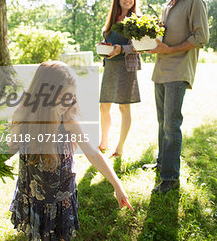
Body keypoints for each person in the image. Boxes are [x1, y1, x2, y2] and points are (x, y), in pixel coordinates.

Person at [8, 61, 133, 240]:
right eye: (63, 97)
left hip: (60, 199)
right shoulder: (24, 117)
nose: (68, 103)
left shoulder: (68, 122)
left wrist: (117, 185)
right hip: (33, 196)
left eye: (71, 98)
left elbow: (92, 153)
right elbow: (13, 146)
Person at [144, 0, 209, 194]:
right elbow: (164, 40)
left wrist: (170, 50)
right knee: (162, 122)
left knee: (172, 125)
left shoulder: (194, 1)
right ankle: (162, 163)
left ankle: (170, 179)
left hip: (178, 71)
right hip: (161, 71)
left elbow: (201, 37)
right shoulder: (167, 7)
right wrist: (147, 43)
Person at [98, 0, 141, 158]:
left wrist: (121, 49)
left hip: (125, 68)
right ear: (118, 0)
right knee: (103, 106)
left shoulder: (137, 20)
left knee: (124, 107)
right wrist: (103, 48)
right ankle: (103, 142)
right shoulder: (112, 20)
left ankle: (119, 148)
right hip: (110, 67)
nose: (128, 0)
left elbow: (139, 46)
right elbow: (109, 41)